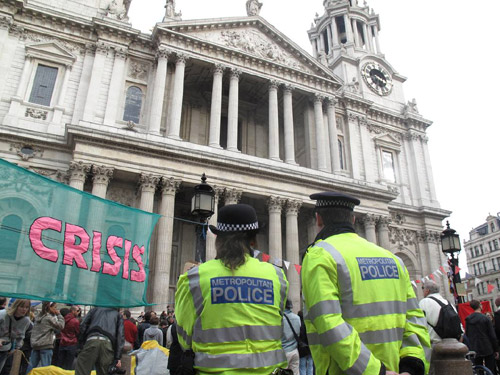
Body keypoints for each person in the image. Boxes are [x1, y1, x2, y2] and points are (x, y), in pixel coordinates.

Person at [301, 192, 431, 375]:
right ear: (353, 220)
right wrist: (411, 366)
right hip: (399, 370)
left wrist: (377, 372)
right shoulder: (393, 259)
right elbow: (414, 319)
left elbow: (329, 323)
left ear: (318, 219)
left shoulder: (320, 256)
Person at [175, 203, 289, 374]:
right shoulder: (277, 276)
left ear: (219, 239)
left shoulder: (194, 278)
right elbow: (278, 322)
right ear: (253, 240)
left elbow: (184, 339)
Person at [75, 307, 124, 375]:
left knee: (82, 371)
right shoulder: (118, 315)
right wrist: (117, 357)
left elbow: (82, 326)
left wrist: (80, 345)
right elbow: (120, 336)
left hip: (91, 340)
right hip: (107, 344)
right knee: (105, 372)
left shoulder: (94, 310)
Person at [418, 280, 460, 344]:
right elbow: (460, 327)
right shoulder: (448, 303)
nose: (422, 291)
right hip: (453, 345)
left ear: (427, 291)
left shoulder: (423, 302)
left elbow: (418, 323)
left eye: (423, 288)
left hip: (435, 345)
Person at [466, 300, 498, 375]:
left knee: (478, 369)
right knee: (490, 369)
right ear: (480, 306)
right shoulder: (485, 318)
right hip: (487, 347)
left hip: (475, 347)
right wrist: (496, 349)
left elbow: (467, 333)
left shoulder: (468, 319)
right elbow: (492, 335)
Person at [29, 301, 65, 370]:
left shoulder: (38, 317)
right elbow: (61, 326)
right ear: (49, 307)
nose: (56, 310)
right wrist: (59, 315)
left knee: (31, 366)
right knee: (45, 368)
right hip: (46, 345)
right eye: (55, 307)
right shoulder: (49, 318)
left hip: (36, 345)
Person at [0, 299, 31, 372]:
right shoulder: (2, 314)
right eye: (22, 306)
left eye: (27, 307)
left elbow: (20, 337)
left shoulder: (26, 321)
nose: (24, 309)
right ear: (16, 306)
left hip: (7, 349)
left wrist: (16, 347)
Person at [281, 300, 301, 375]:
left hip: (284, 351)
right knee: (295, 372)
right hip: (294, 350)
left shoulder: (280, 319)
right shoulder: (297, 318)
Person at [58, 305, 80, 370]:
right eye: (77, 311)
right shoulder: (75, 321)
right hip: (71, 343)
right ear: (73, 311)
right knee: (69, 364)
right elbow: (78, 332)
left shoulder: (64, 319)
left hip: (62, 342)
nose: (78, 312)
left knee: (60, 363)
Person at [297, 311, 313, 375]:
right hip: (310, 348)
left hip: (302, 349)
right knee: (310, 367)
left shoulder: (299, 325)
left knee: (302, 367)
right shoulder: (310, 324)